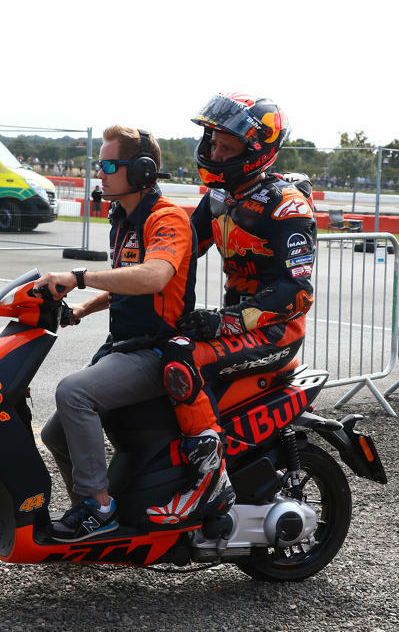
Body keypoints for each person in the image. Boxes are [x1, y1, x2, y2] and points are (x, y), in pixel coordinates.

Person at [148, 92, 317, 525]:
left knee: (181, 360)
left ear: (257, 150)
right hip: (236, 326)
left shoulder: (286, 206)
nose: (215, 152)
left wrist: (225, 322)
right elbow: (182, 253)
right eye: (214, 142)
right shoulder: (220, 197)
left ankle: (210, 486)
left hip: (277, 331)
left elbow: (296, 293)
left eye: (228, 146)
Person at [36, 125, 197, 541]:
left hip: (159, 351)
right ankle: (87, 513)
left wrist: (78, 277)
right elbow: (125, 281)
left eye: (109, 165)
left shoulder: (166, 219)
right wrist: (83, 309)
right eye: (98, 165)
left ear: (142, 171)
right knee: (55, 433)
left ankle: (100, 508)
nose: (100, 174)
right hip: (124, 346)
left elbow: (153, 277)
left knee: (74, 392)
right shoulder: (123, 219)